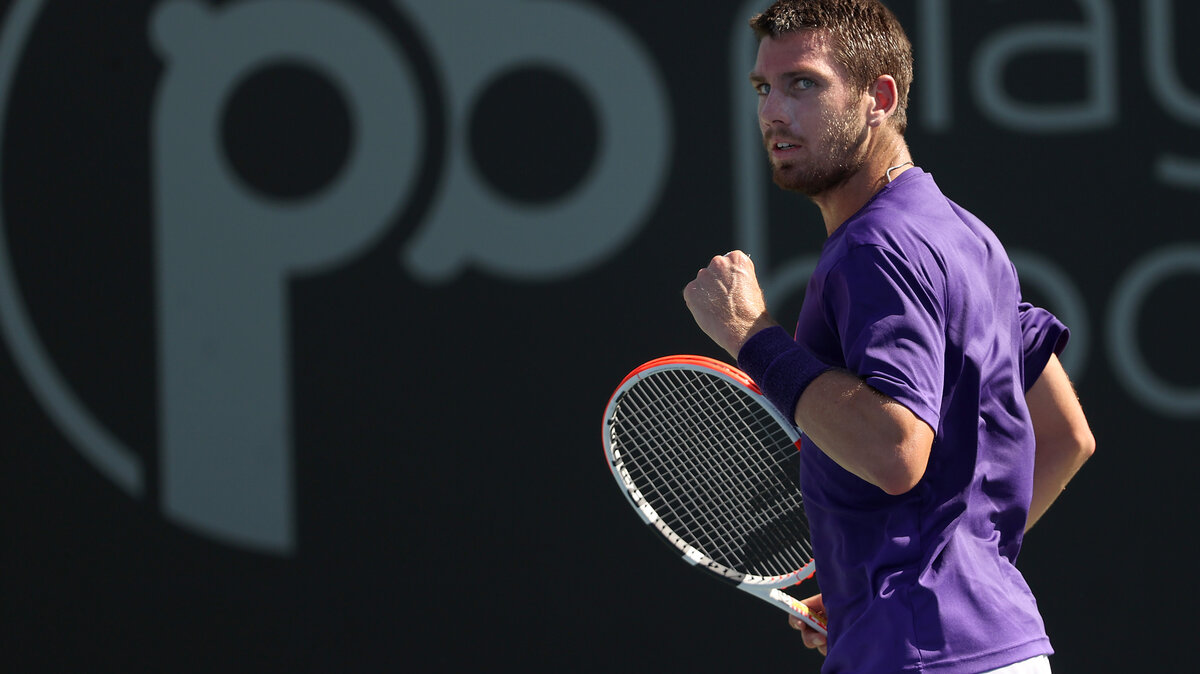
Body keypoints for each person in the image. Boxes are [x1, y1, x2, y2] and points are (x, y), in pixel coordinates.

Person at [682, 1, 1095, 672]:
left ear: (879, 97)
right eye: (764, 88)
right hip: (997, 646)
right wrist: (892, 586)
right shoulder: (965, 234)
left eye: (804, 84)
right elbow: (1067, 435)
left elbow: (899, 450)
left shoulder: (875, 247)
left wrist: (750, 336)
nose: (772, 113)